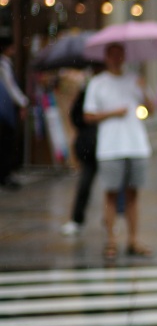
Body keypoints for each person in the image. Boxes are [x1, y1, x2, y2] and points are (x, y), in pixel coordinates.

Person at [83, 42, 154, 260]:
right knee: (111, 195)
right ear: (106, 57)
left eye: (120, 54)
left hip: (136, 144)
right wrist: (113, 113)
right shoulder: (98, 83)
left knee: (133, 195)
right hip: (110, 147)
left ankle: (133, 239)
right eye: (112, 55)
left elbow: (152, 110)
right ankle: (111, 241)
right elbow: (88, 115)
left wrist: (143, 89)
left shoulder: (134, 79)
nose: (116, 59)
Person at [60, 70, 100, 236]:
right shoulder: (84, 93)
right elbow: (77, 119)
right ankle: (77, 219)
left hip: (108, 143)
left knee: (113, 186)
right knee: (86, 182)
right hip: (90, 144)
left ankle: (111, 220)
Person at [0, 30, 27, 189]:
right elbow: (11, 87)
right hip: (4, 110)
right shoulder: (4, 64)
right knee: (6, 143)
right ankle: (5, 175)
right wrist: (23, 102)